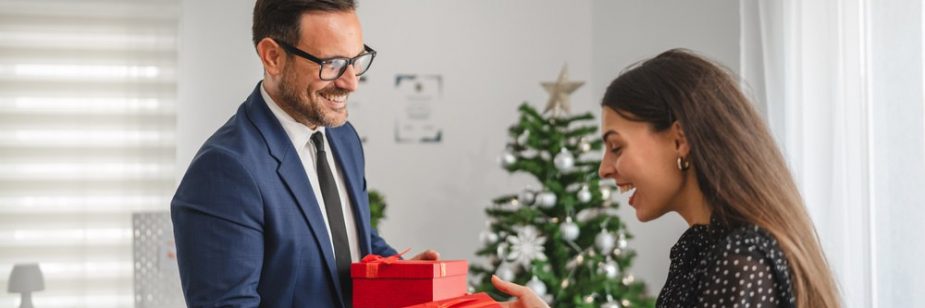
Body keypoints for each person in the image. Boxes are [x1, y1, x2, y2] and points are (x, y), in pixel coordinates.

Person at [498, 49, 842, 307]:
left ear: (679, 140)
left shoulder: (740, 264)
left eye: (616, 147)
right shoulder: (702, 250)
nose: (603, 168)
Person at [170, 1, 438, 307]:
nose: (351, 82)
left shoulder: (343, 137)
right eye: (333, 64)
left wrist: (397, 274)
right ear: (273, 57)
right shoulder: (224, 170)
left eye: (357, 60)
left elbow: (351, 237)